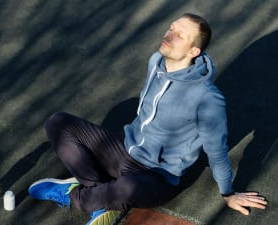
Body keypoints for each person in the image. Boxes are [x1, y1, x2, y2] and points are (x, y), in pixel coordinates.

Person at [28, 13, 267, 224]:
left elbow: (217, 151)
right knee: (58, 123)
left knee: (128, 187)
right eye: (172, 28)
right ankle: (100, 195)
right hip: (123, 150)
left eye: (180, 35)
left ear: (194, 51)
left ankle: (79, 198)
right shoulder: (156, 62)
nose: (170, 35)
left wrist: (228, 193)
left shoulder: (207, 99)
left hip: (157, 177)